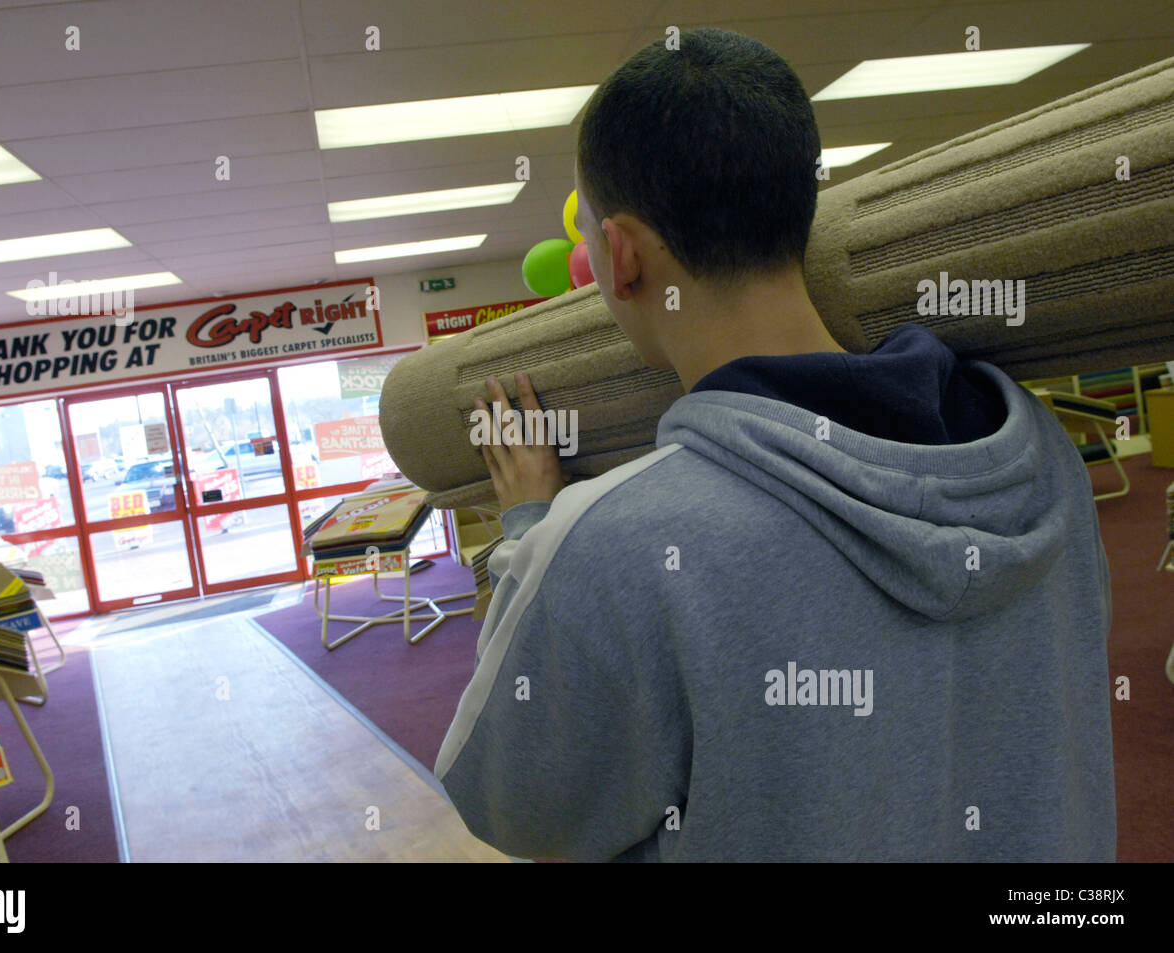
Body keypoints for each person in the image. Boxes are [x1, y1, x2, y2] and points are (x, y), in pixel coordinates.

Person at [434, 28, 1115, 862]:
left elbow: (518, 809)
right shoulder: (1038, 452)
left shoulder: (611, 544)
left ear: (617, 254)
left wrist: (529, 531)